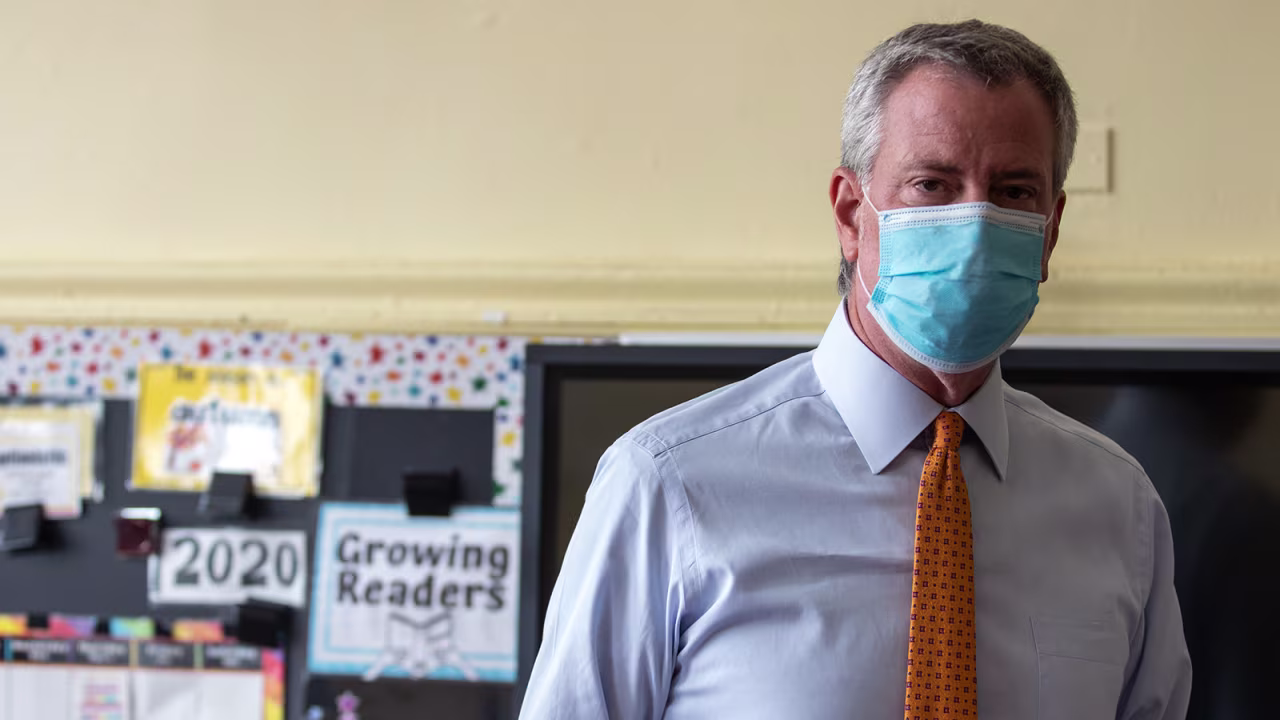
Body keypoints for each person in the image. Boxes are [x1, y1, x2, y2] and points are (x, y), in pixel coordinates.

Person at [520, 20, 1191, 719]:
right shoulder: (667, 486)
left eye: (1014, 192)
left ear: (1050, 230)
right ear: (849, 212)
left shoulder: (1120, 507)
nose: (974, 223)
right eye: (932, 184)